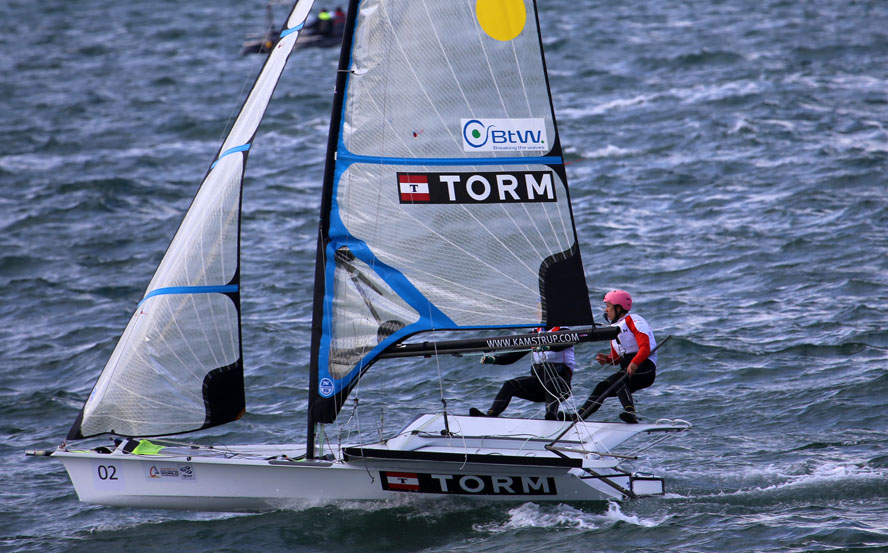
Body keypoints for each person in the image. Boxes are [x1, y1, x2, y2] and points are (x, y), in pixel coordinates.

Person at [567, 289, 657, 424]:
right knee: (601, 387)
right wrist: (607, 359)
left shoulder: (633, 320)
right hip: (627, 371)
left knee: (618, 380)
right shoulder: (614, 327)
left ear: (619, 308)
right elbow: (617, 358)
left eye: (608, 306)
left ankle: (630, 413)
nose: (605, 310)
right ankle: (578, 417)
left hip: (644, 369)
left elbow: (645, 347)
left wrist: (635, 362)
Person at [469, 326, 575, 421]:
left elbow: (565, 343)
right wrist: (494, 359)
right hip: (540, 385)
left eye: (541, 309)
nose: (538, 313)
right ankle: (490, 416)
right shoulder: (533, 334)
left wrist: (547, 346)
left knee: (551, 383)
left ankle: (551, 416)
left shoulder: (563, 331)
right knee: (510, 385)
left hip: (560, 386)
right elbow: (512, 357)